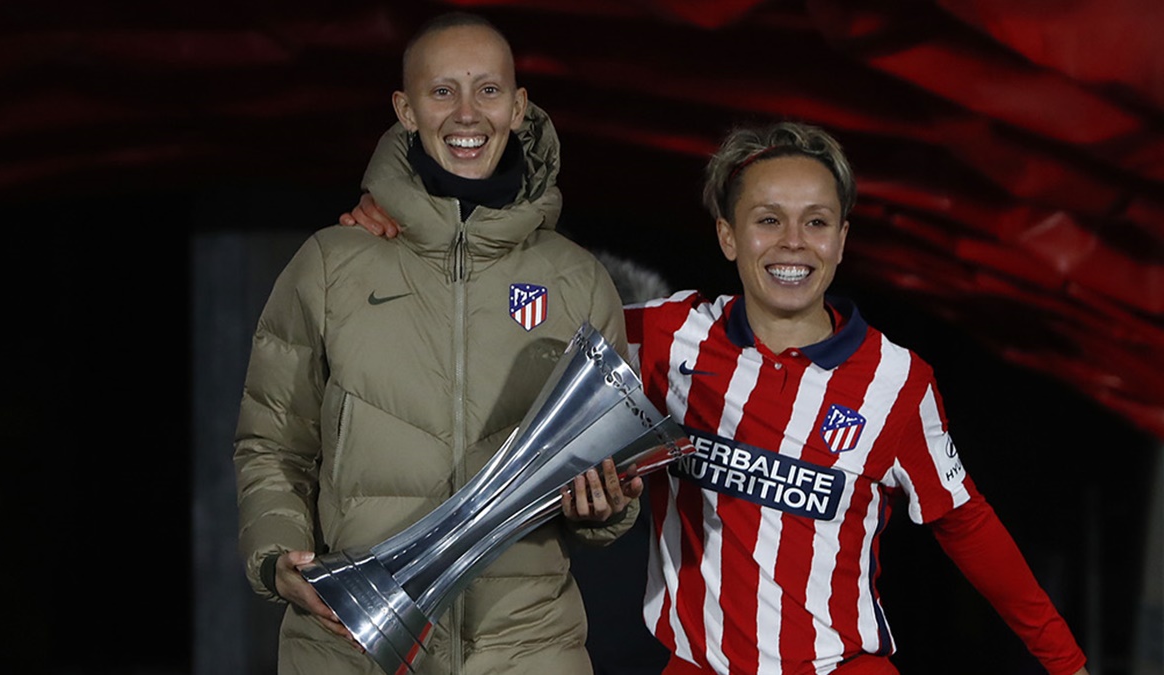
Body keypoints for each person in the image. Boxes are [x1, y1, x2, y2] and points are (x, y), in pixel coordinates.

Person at [341, 121, 1091, 674]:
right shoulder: (668, 338)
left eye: (816, 222)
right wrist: (415, 245)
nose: (792, 242)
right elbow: (526, 308)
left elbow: (964, 522)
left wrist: (1064, 663)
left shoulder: (898, 382)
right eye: (769, 220)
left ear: (841, 240)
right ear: (730, 237)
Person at [234, 12, 642, 675]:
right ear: (405, 110)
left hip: (524, 650)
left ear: (518, 108)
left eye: (487, 90)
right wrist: (276, 555)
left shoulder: (576, 279)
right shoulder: (332, 264)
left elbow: (610, 466)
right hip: (353, 644)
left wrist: (606, 505)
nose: (466, 112)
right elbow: (272, 440)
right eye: (441, 90)